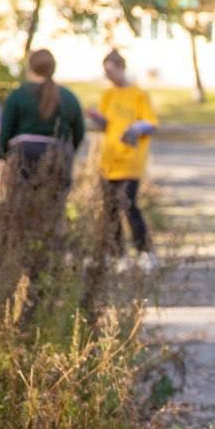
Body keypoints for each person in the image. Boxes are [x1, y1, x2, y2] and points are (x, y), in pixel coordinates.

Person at [85, 50, 159, 272]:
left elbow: (151, 123)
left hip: (130, 161)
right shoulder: (108, 94)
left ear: (121, 68)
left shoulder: (139, 94)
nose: (109, 76)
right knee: (110, 209)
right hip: (109, 160)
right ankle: (117, 254)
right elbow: (106, 125)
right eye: (105, 72)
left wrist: (136, 128)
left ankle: (144, 251)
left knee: (129, 206)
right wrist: (96, 119)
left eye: (111, 71)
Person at [0, 49, 85, 186]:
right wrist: (67, 153)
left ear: (30, 67)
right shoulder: (69, 97)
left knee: (21, 198)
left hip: (23, 155)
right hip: (58, 156)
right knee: (52, 199)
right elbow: (79, 132)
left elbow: (5, 132)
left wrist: (2, 156)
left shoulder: (18, 95)